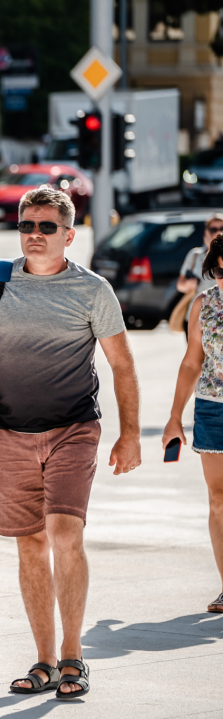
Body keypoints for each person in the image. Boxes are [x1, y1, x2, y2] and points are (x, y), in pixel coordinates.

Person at [0, 186, 141, 700]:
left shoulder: (93, 291)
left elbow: (122, 364)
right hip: (10, 432)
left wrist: (130, 434)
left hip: (73, 428)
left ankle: (73, 656)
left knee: (64, 534)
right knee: (30, 544)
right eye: (26, 225)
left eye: (46, 227)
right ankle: (41, 661)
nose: (35, 235)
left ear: (69, 235)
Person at [162, 234, 223, 614]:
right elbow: (190, 362)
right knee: (218, 499)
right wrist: (174, 419)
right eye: (218, 271)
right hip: (213, 408)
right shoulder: (205, 304)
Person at [176, 213, 223, 297]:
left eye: (222, 229)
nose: (219, 232)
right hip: (198, 307)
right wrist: (187, 284)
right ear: (206, 232)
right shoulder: (194, 254)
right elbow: (179, 285)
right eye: (214, 229)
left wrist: (212, 248)